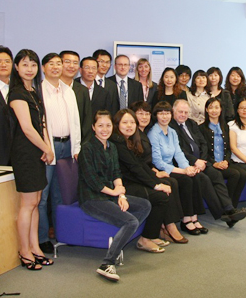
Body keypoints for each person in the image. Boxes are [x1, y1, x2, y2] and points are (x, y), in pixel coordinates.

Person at [78, 111, 151, 281]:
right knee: (131, 221)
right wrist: (114, 193)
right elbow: (92, 181)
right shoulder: (87, 148)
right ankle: (107, 263)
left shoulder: (111, 147)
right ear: (93, 127)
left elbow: (116, 173)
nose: (105, 129)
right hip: (92, 198)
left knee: (145, 205)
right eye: (100, 125)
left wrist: (121, 195)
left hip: (110, 194)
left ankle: (118, 241)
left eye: (108, 125)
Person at [7, 49, 54, 271]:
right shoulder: (16, 94)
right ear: (17, 67)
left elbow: (42, 124)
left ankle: (35, 248)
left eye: (33, 65)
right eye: (25, 64)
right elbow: (26, 128)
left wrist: (47, 147)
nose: (29, 69)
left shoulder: (34, 92)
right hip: (25, 153)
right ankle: (24, 251)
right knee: (27, 205)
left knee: (36, 202)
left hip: (38, 152)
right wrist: (45, 148)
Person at [170, 99, 246, 228]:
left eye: (186, 112)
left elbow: (203, 143)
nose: (183, 115)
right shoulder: (171, 127)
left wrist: (202, 161)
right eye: (180, 112)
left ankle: (229, 208)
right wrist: (195, 162)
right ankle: (223, 214)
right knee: (205, 180)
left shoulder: (191, 123)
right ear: (173, 111)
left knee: (216, 175)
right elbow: (179, 150)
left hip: (201, 161)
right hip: (185, 164)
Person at [111, 109, 178, 252]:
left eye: (132, 122)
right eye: (125, 122)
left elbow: (141, 164)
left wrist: (157, 180)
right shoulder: (117, 142)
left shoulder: (129, 140)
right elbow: (134, 168)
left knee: (167, 184)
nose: (129, 126)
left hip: (132, 180)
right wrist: (155, 185)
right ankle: (145, 239)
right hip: (121, 185)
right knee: (160, 196)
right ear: (117, 124)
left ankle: (155, 233)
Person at [37, 53, 81, 254]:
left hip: (67, 145)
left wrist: (76, 147)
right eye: (51, 64)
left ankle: (62, 233)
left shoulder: (68, 91)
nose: (56, 67)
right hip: (49, 147)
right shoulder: (38, 91)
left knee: (61, 194)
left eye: (58, 64)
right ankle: (42, 238)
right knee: (43, 196)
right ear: (43, 68)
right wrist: (45, 147)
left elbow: (75, 121)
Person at [129, 101, 188, 244]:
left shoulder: (142, 133)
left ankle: (168, 225)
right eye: (140, 114)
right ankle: (170, 225)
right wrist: (154, 173)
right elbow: (137, 164)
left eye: (147, 114)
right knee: (169, 183)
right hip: (135, 178)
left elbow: (145, 161)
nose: (144, 117)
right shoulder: (134, 134)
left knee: (173, 181)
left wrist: (153, 170)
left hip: (148, 171)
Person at [148, 102, 205, 236]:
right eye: (161, 114)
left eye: (167, 113)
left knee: (194, 176)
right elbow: (157, 162)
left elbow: (178, 153)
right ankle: (186, 219)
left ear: (171, 114)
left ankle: (194, 216)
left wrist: (188, 168)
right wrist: (183, 171)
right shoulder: (153, 133)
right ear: (156, 115)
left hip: (172, 167)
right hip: (160, 169)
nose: (164, 117)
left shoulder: (172, 132)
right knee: (186, 180)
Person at [200, 97, 246, 209]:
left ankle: (233, 206)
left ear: (221, 109)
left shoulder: (225, 127)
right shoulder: (201, 128)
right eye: (211, 107)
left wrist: (226, 161)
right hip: (211, 165)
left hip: (224, 162)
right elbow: (203, 151)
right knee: (235, 174)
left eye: (217, 107)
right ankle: (228, 207)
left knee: (243, 174)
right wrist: (214, 163)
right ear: (206, 109)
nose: (214, 110)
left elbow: (228, 149)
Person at [59, 50, 92, 145]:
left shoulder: (83, 90)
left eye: (75, 63)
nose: (71, 66)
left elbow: (86, 120)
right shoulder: (49, 88)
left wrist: (83, 145)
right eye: (67, 62)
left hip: (76, 143)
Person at [93, 49, 119, 115]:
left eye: (107, 62)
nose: (104, 65)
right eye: (101, 61)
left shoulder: (112, 85)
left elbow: (114, 108)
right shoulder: (86, 82)